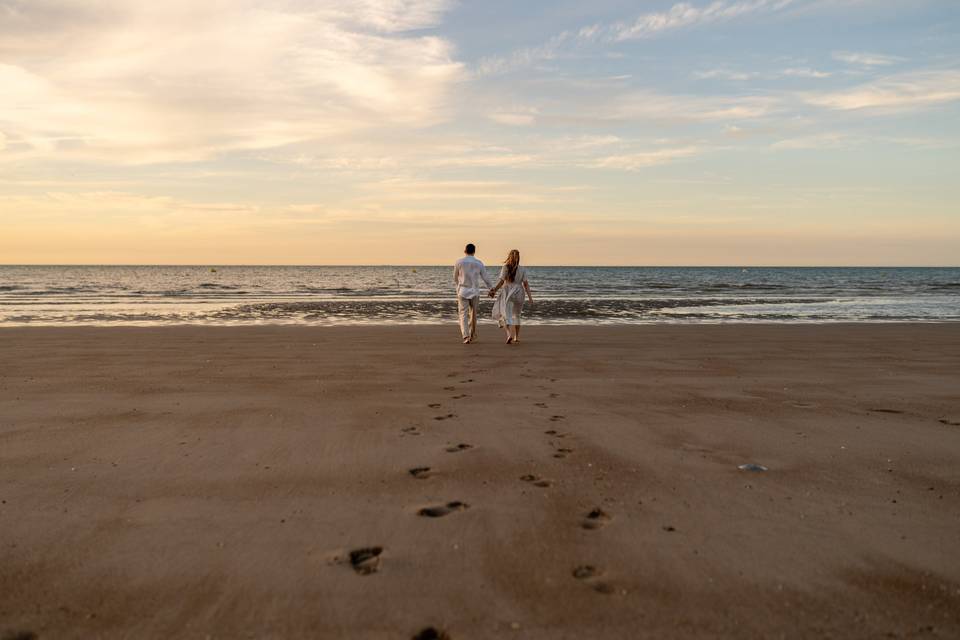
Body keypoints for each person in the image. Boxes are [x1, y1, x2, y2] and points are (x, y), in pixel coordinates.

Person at [488, 249, 533, 344]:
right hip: (519, 292)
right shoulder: (522, 269)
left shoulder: (505, 267)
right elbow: (526, 284)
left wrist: (494, 290)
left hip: (508, 292)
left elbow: (501, 282)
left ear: (509, 257)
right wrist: (530, 297)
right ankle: (516, 337)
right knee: (517, 315)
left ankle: (509, 334)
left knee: (506, 314)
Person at [453, 243, 493, 344]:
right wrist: (491, 289)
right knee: (473, 314)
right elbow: (485, 277)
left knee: (463, 314)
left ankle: (465, 336)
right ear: (474, 252)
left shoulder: (459, 262)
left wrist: (458, 289)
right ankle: (472, 335)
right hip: (475, 291)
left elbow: (455, 278)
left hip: (462, 291)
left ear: (465, 251)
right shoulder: (479, 263)